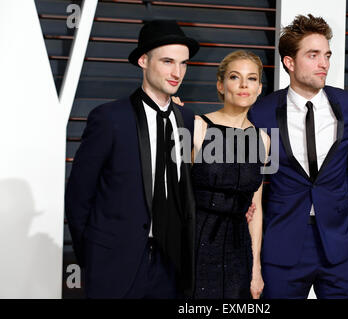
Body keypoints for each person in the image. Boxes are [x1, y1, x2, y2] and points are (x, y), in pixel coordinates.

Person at [65, 20, 199, 298]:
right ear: (143, 61)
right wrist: (92, 257)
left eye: (184, 63)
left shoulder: (187, 119)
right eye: (167, 61)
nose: (177, 72)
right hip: (114, 265)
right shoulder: (109, 118)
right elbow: (78, 197)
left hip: (171, 267)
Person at [248, 14, 348, 299]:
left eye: (326, 55)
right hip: (283, 244)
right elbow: (254, 180)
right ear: (289, 62)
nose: (323, 63)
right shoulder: (261, 112)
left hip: (337, 243)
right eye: (313, 55)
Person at [191, 50, 269, 299]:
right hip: (195, 243)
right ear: (221, 85)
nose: (244, 85)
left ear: (259, 88)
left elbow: (255, 207)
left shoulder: (264, 140)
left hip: (239, 248)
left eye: (252, 79)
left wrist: (256, 267)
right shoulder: (197, 127)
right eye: (235, 77)